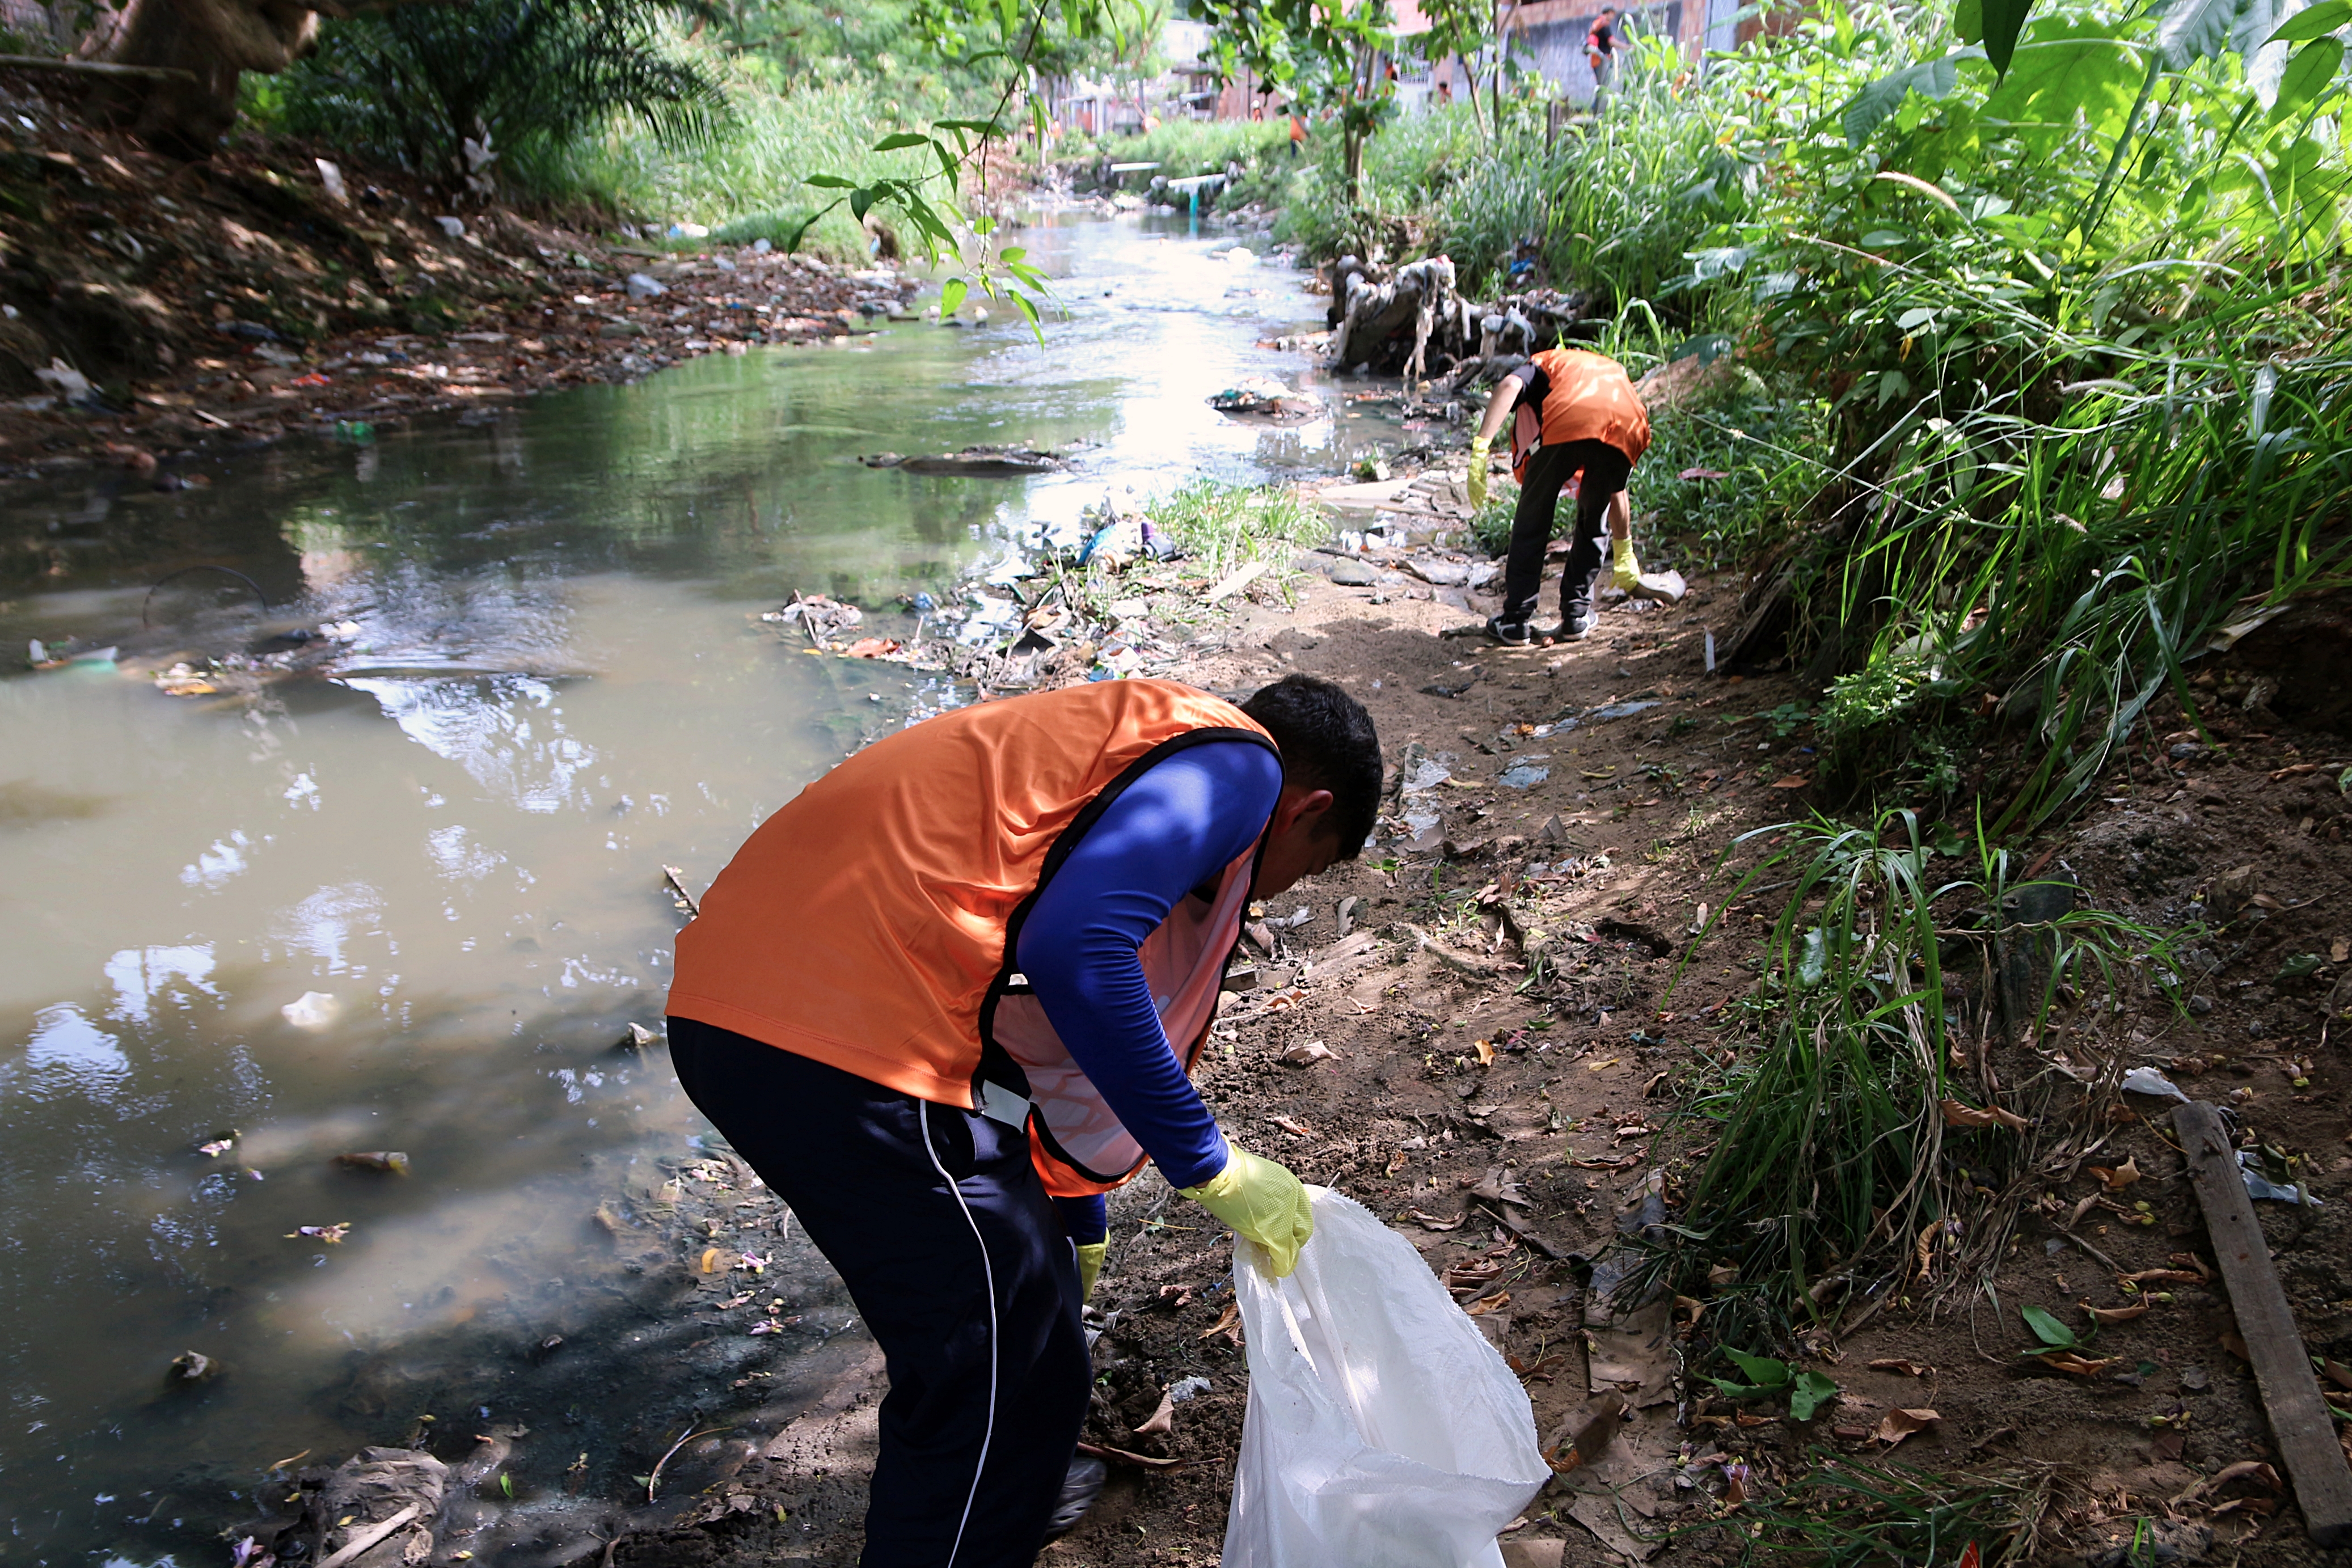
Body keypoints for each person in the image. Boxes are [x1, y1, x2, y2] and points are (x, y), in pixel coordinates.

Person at [664, 674, 1383, 1568]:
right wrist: (1210, 1163)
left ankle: (1013, 1491)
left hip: (734, 1009)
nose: (1263, 895)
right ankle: (989, 1497)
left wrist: (1072, 1211)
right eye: (1303, 868)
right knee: (999, 1383)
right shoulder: (1244, 771)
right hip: (844, 1038)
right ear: (1307, 810)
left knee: (1016, 1343)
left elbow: (1039, 1032)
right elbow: (1078, 949)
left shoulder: (1130, 746)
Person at [1464, 346, 1652, 644]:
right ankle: (1576, 618)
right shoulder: (1605, 370)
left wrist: (1481, 447)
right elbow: (1616, 491)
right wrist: (1624, 548)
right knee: (1594, 518)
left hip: (1567, 420)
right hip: (1627, 425)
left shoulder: (1541, 363)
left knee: (1533, 520)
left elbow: (1510, 385)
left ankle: (1515, 622)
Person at [1586, 5, 1620, 107]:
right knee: (1603, 86)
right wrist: (1627, 47)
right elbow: (1611, 41)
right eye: (1613, 15)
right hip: (1603, 61)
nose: (1613, 17)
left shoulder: (1596, 23)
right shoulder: (1604, 24)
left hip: (1595, 60)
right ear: (1609, 13)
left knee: (1601, 85)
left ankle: (1596, 108)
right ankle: (1597, 109)